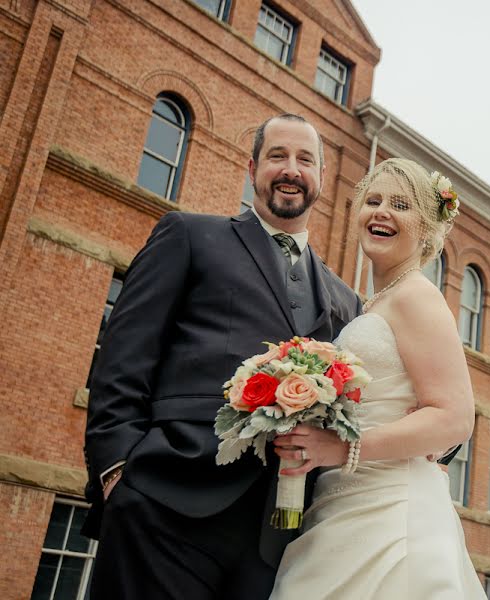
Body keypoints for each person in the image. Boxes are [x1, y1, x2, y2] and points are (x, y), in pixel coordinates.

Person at [82, 114, 363, 599]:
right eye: (277, 156)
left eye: (304, 159)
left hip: (277, 537)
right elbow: (124, 355)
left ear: (321, 179)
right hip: (166, 501)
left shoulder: (346, 300)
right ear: (252, 167)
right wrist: (116, 472)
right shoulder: (189, 235)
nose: (290, 169)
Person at [269, 158, 486, 599]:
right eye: (373, 200)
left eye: (400, 204)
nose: (381, 211)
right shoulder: (374, 303)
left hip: (393, 511)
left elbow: (455, 418)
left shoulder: (417, 297)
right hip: (344, 499)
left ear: (426, 226)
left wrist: (339, 447)